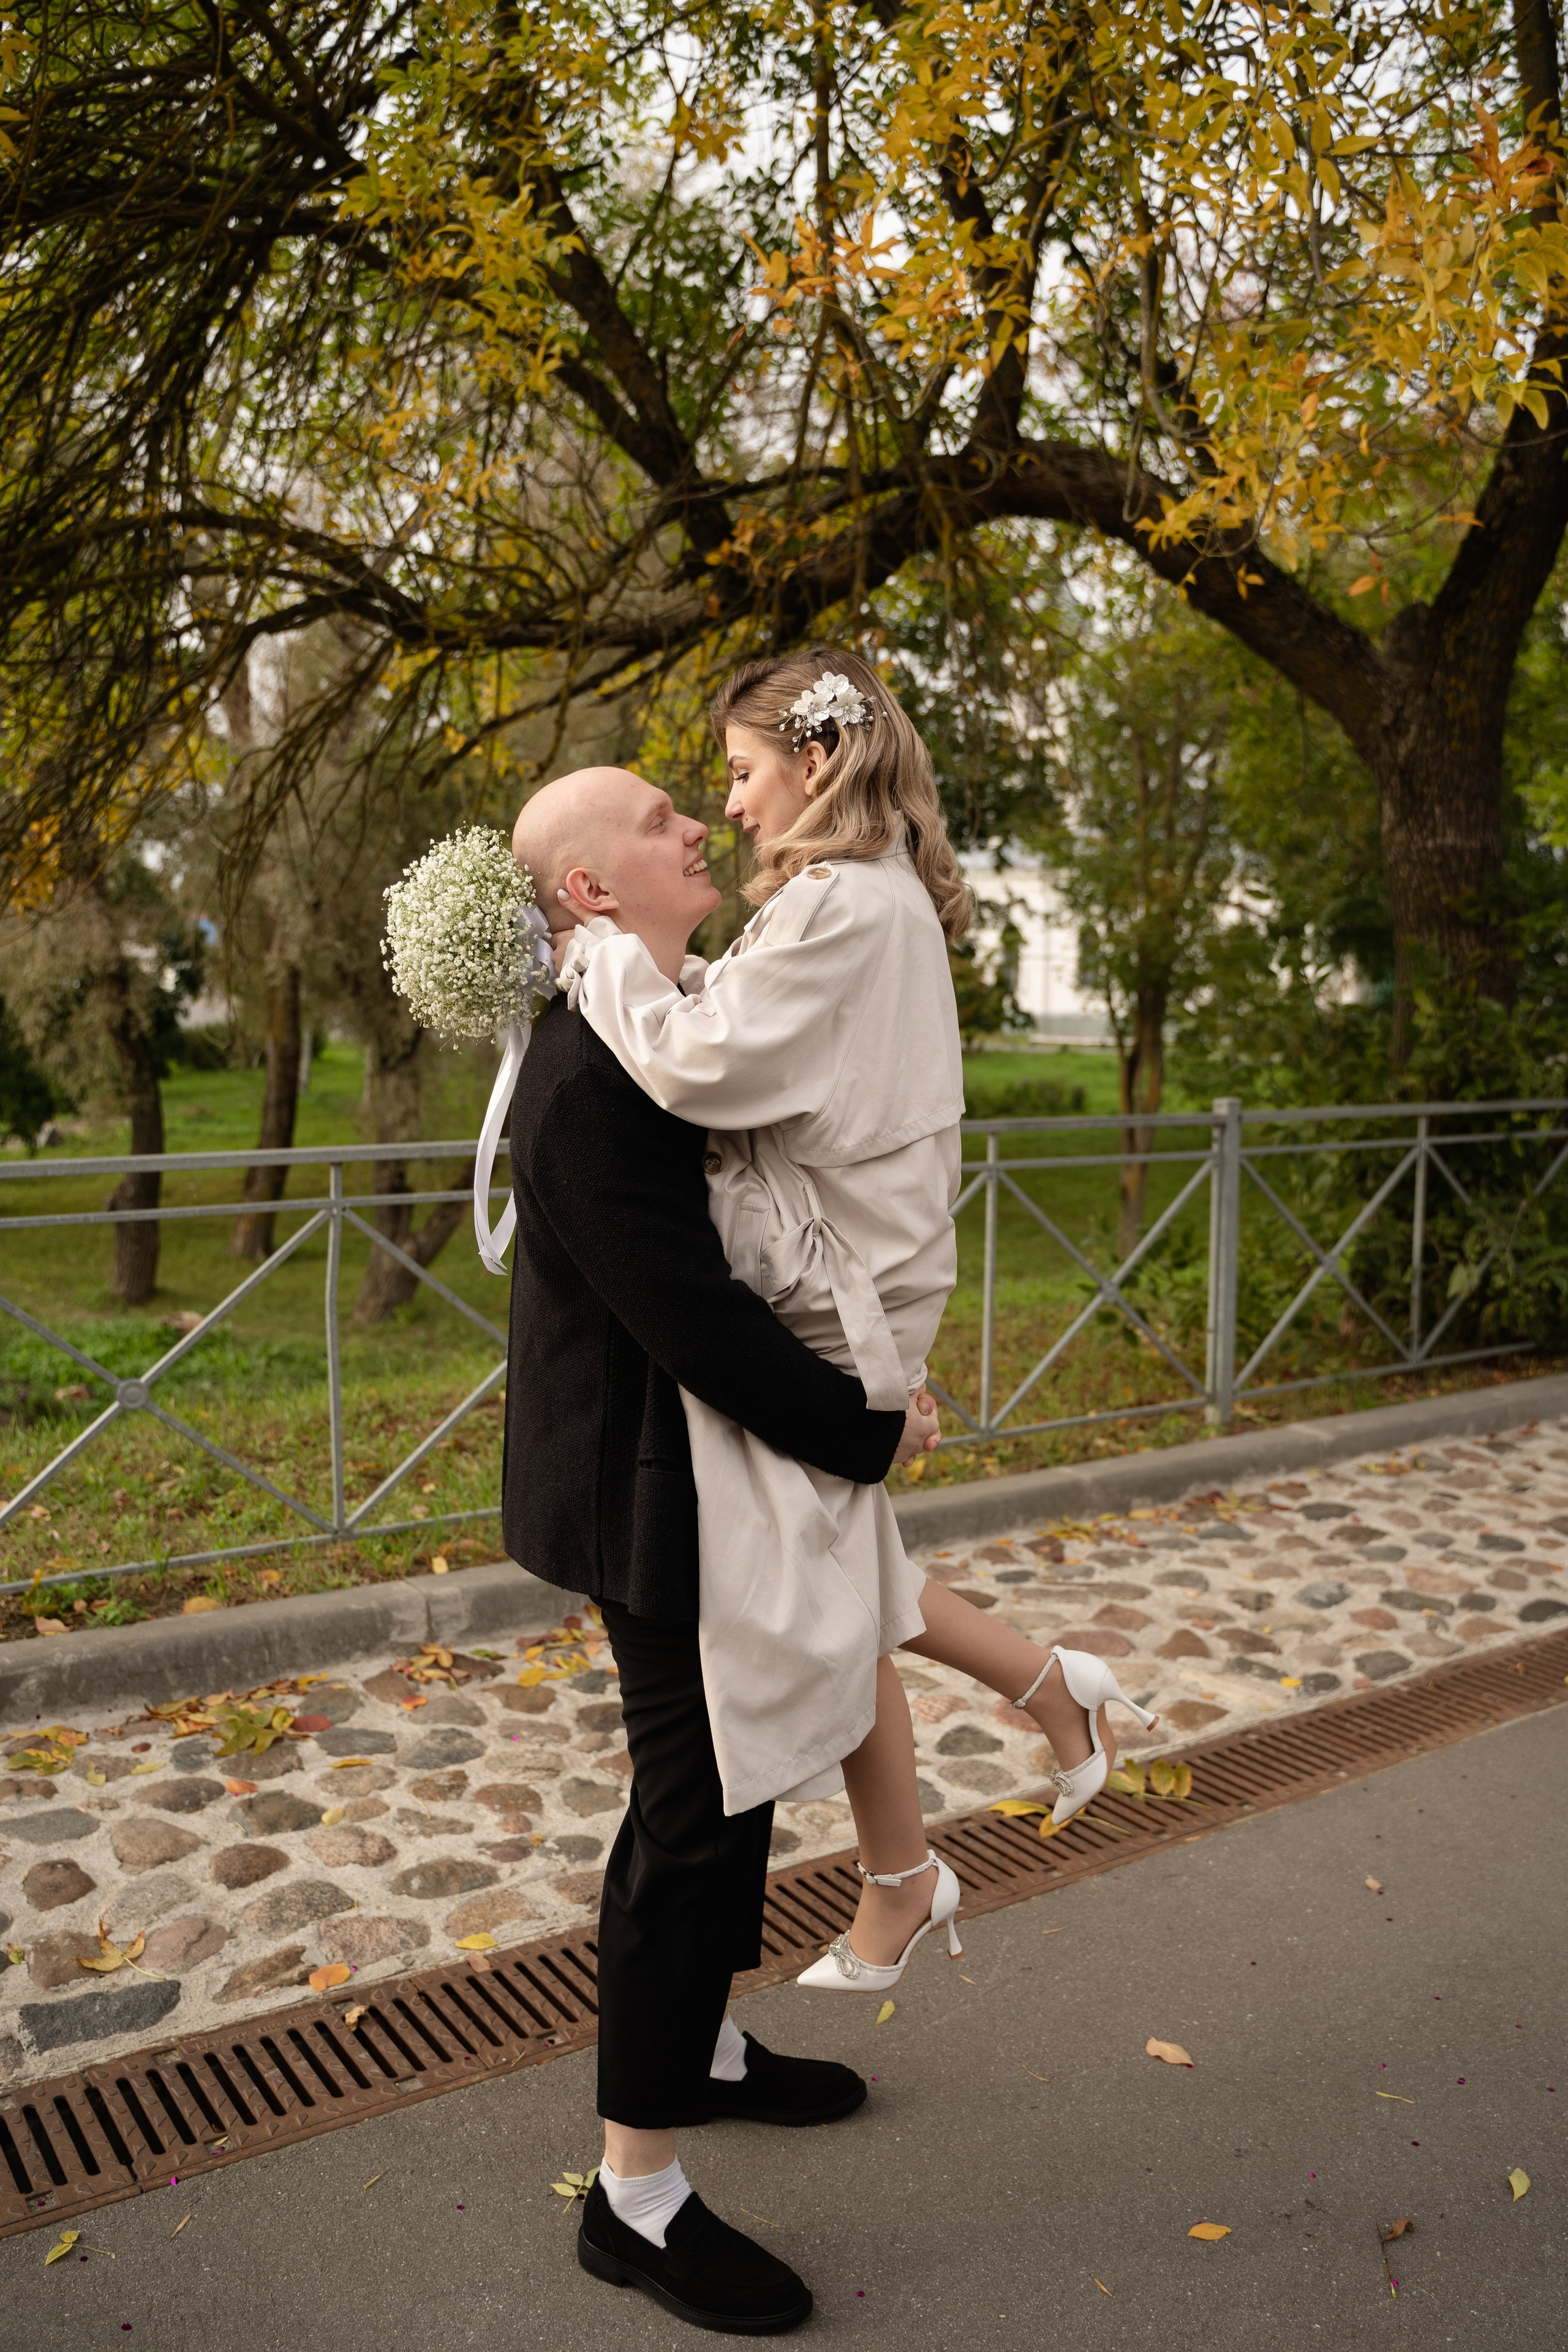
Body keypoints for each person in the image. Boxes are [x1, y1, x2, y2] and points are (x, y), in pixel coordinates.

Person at [546, 648, 1156, 2000]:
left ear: (813, 763)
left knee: (821, 1577)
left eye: (745, 773)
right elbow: (748, 1032)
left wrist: (594, 960)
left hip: (830, 1277)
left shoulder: (836, 903)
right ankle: (1021, 1725)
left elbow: (706, 1065)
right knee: (837, 1559)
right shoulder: (857, 897)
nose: (732, 807)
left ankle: (929, 1839)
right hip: (853, 1273)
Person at [501, 772, 940, 2335]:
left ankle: (700, 2047)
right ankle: (634, 2196)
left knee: (737, 1785)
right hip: (644, 1493)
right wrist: (862, 1430)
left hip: (695, 1477)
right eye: (656, 816)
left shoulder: (650, 1031)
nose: (695, 824)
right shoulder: (587, 1078)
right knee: (689, 1818)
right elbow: (688, 1318)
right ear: (589, 897)